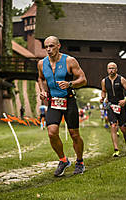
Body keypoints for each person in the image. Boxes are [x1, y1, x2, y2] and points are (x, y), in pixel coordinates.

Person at [37, 36, 87, 176]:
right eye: (46, 46)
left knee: (74, 134)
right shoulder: (41, 63)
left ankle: (80, 162)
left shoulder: (69, 61)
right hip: (54, 101)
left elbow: (83, 79)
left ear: (59, 46)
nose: (48, 49)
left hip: (69, 100)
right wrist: (42, 90)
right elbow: (40, 78)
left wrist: (70, 84)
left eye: (51, 46)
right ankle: (63, 160)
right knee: (52, 132)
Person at [100, 62, 126, 157]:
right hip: (111, 105)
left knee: (123, 128)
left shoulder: (121, 79)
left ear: (116, 69)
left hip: (121, 105)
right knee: (113, 126)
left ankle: (125, 135)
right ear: (107, 70)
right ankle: (116, 149)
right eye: (109, 68)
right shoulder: (104, 81)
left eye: (113, 68)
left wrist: (125, 100)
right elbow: (103, 91)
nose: (111, 70)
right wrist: (102, 98)